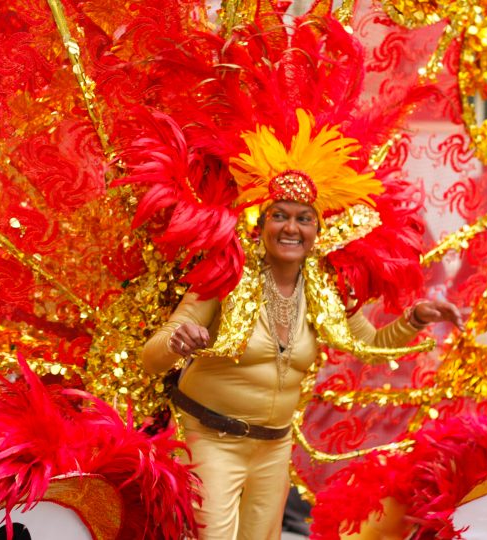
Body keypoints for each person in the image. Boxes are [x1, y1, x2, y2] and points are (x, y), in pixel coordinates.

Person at [142, 196, 462, 539]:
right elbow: (151, 357)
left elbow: (371, 346)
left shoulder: (325, 288)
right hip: (210, 438)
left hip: (273, 448)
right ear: (261, 224)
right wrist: (177, 341)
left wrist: (414, 320)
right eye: (280, 216)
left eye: (304, 219)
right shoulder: (226, 274)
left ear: (317, 229)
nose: (291, 228)